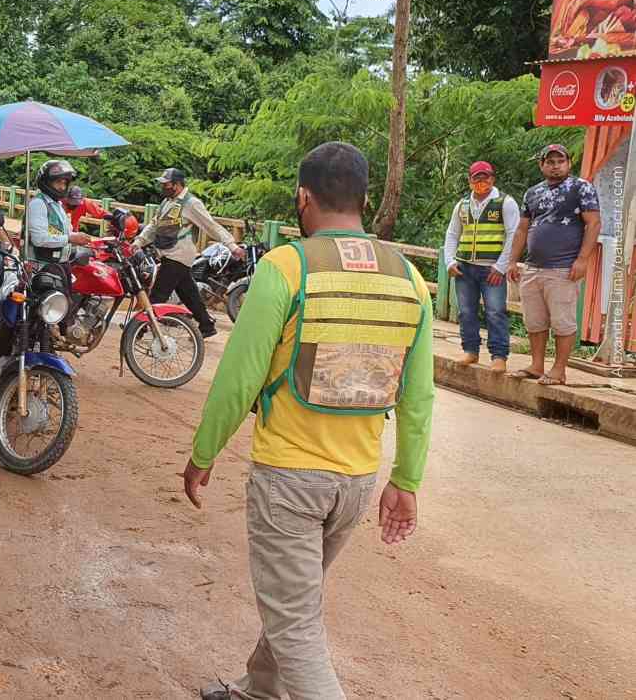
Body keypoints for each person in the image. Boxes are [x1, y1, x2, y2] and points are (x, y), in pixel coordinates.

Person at [186, 141, 434, 700]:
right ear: (366, 199)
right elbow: (418, 396)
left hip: (289, 480)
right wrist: (406, 480)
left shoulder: (286, 267)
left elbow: (239, 380)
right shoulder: (409, 278)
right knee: (294, 600)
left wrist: (204, 453)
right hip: (356, 482)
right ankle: (259, 690)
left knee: (295, 622)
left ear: (303, 198)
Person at [506, 144, 601, 386]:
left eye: (560, 161)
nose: (555, 166)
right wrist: (512, 260)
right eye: (550, 162)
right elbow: (522, 229)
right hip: (533, 266)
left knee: (562, 321)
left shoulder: (581, 187)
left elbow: (593, 224)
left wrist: (582, 259)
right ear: (542, 165)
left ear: (569, 163)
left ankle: (559, 370)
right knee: (534, 320)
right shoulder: (532, 192)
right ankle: (536, 365)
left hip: (563, 268)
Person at [133, 168, 243, 338]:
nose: (163, 187)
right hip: (168, 253)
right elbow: (154, 225)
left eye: (166, 184)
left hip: (178, 255)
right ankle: (206, 325)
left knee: (157, 295)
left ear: (177, 185)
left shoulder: (191, 204)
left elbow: (211, 226)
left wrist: (232, 246)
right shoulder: (167, 202)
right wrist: (138, 242)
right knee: (188, 293)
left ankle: (138, 329)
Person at [442, 161, 520, 373]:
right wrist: (450, 261)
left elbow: (513, 235)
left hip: (491, 269)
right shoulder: (462, 205)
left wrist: (500, 267)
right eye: (477, 178)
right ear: (470, 180)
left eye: (486, 177)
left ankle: (499, 355)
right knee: (466, 312)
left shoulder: (505, 203)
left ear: (492, 179)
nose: (481, 181)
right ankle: (470, 350)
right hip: (465, 267)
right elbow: (452, 234)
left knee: (495, 312)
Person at [25, 160, 93, 263]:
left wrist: (78, 237)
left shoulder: (57, 204)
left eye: (64, 183)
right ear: (46, 182)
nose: (62, 187)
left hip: (58, 262)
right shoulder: (38, 204)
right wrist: (70, 238)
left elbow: (63, 233)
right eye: (58, 182)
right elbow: (39, 239)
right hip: (41, 265)